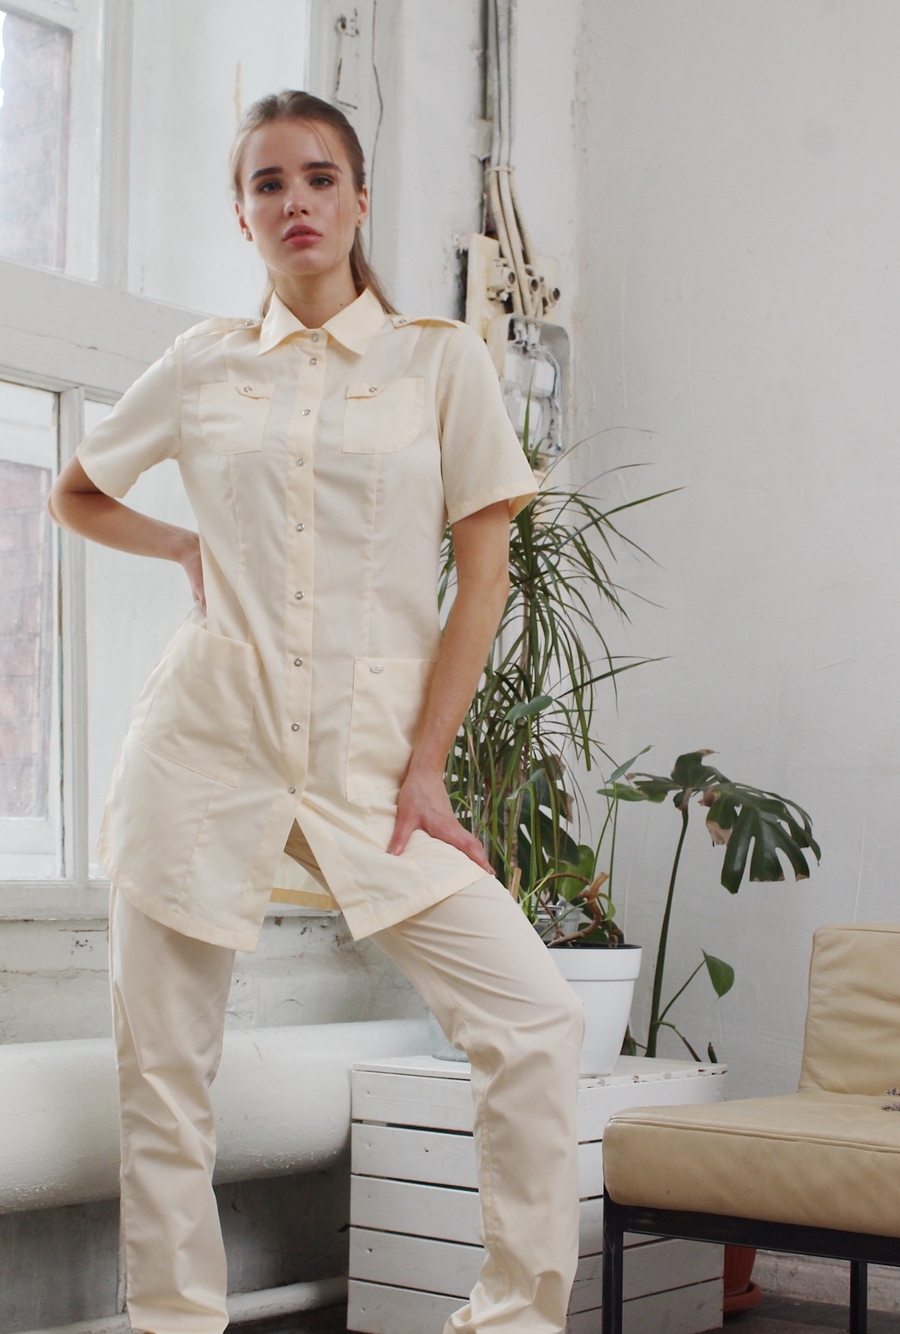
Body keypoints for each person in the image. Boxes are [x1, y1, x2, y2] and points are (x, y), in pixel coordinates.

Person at [48, 90, 583, 1334]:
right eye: (269, 182)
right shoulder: (202, 364)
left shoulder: (439, 361)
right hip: (202, 746)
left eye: (320, 176)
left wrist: (430, 766)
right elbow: (77, 491)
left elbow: (483, 579)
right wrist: (183, 543)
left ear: (359, 199)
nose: (296, 201)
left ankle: (513, 1318)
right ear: (239, 214)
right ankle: (174, 1319)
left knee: (533, 1015)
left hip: (371, 761)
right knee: (164, 1073)